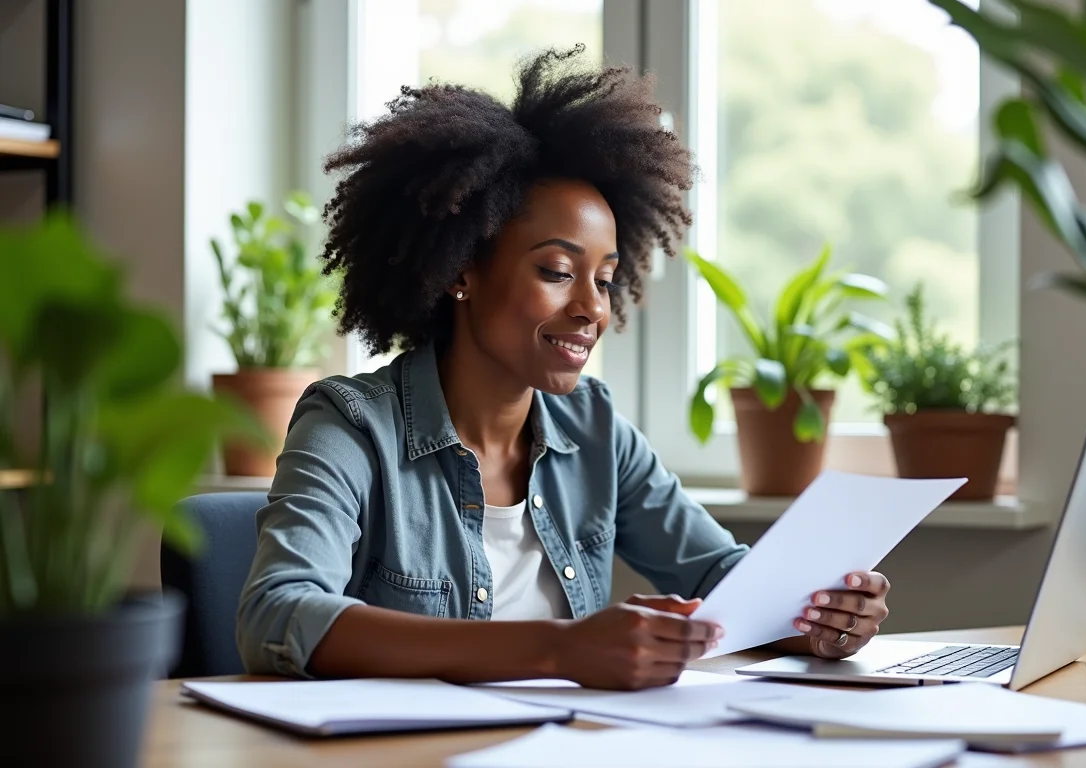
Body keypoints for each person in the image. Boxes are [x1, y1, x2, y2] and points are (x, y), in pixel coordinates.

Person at [236, 46, 890, 690]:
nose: (590, 309)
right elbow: (278, 613)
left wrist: (820, 619)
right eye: (555, 271)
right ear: (461, 270)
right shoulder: (351, 426)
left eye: (604, 280)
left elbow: (727, 582)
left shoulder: (594, 428)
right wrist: (557, 649)